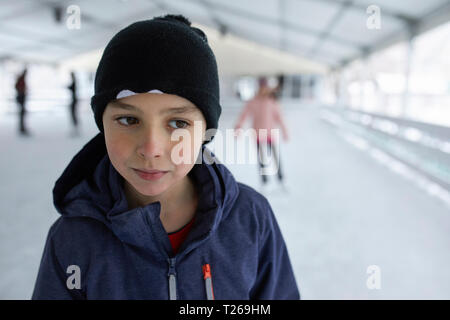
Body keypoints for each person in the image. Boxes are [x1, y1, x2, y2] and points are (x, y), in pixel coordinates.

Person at [32, 14, 299, 300]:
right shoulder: (72, 239)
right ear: (102, 124)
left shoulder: (250, 218)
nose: (151, 148)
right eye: (128, 120)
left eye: (178, 123)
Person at [234, 77, 289, 191]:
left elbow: (280, 118)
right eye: (262, 87)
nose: (264, 89)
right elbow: (244, 115)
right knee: (262, 158)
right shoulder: (253, 101)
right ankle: (265, 181)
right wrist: (238, 127)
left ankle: (281, 179)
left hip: (271, 134)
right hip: (258, 134)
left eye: (266, 87)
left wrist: (285, 132)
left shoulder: (272, 102)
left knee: (275, 157)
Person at [15, 67, 29, 135]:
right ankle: (22, 128)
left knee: (22, 114)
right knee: (21, 114)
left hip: (22, 97)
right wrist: (21, 91)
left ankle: (22, 128)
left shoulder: (22, 79)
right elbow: (17, 87)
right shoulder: (21, 78)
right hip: (21, 97)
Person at [67, 71, 79, 136]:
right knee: (73, 114)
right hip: (74, 100)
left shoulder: (74, 82)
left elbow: (71, 88)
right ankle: (75, 128)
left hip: (74, 100)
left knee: (73, 114)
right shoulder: (74, 82)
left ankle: (75, 129)